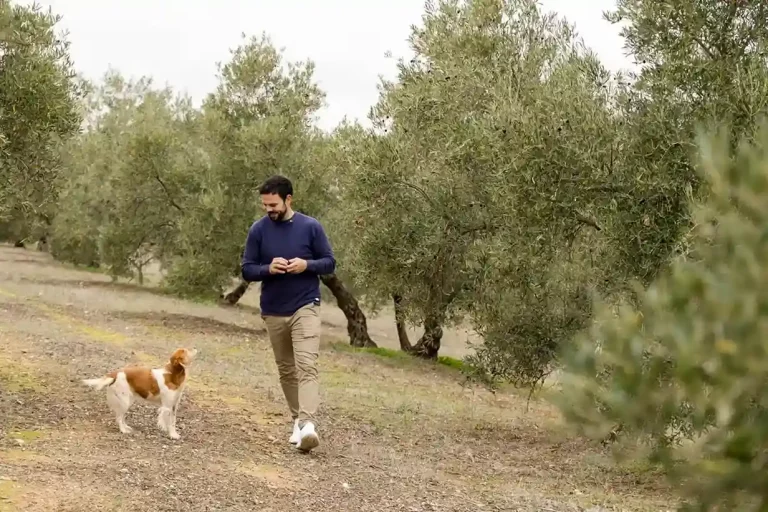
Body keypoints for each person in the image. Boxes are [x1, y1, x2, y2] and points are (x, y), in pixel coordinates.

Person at [241, 175, 335, 452]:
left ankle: (308, 425)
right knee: (286, 369)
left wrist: (305, 265)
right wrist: (267, 268)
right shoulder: (258, 231)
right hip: (273, 309)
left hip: (306, 305)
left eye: (273, 204)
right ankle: (298, 420)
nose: (268, 209)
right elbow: (247, 269)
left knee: (307, 364)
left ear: (288, 199)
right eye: (265, 205)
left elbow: (329, 263)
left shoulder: (311, 227)